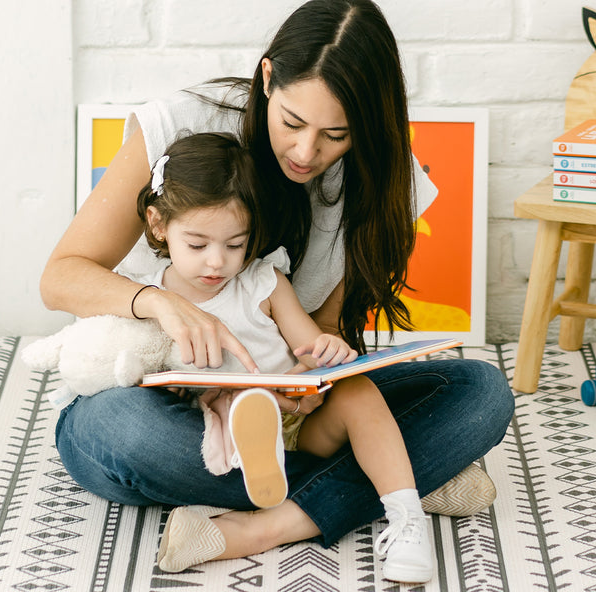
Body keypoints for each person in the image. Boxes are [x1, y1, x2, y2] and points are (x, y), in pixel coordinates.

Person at [40, 0, 513, 572]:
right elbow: (61, 277)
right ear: (267, 78)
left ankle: (270, 525)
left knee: (482, 395)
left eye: (336, 135)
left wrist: (308, 376)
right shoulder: (181, 125)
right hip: (164, 407)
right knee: (122, 432)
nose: (305, 151)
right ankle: (396, 478)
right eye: (291, 122)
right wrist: (159, 303)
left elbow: (323, 332)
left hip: (282, 413)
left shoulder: (387, 180)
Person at [129, 131, 435, 581]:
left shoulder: (264, 282)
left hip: (296, 419)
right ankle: (416, 476)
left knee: (360, 392)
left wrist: (327, 353)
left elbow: (310, 347)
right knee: (137, 424)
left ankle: (408, 516)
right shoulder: (150, 295)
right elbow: (139, 370)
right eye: (198, 245)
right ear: (158, 225)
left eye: (235, 245)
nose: (217, 262)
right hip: (218, 429)